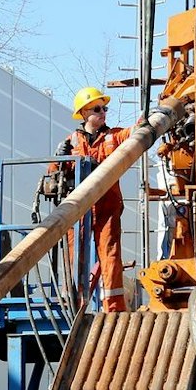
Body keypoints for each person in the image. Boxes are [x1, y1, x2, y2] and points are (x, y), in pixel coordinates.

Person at [50, 86, 131, 313]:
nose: (103, 112)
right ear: (84, 114)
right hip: (78, 208)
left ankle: (114, 309)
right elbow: (53, 175)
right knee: (75, 257)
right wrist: (59, 158)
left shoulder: (113, 136)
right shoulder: (72, 142)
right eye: (97, 108)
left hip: (106, 206)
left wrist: (145, 122)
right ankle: (72, 308)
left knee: (110, 254)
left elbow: (133, 134)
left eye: (104, 108)